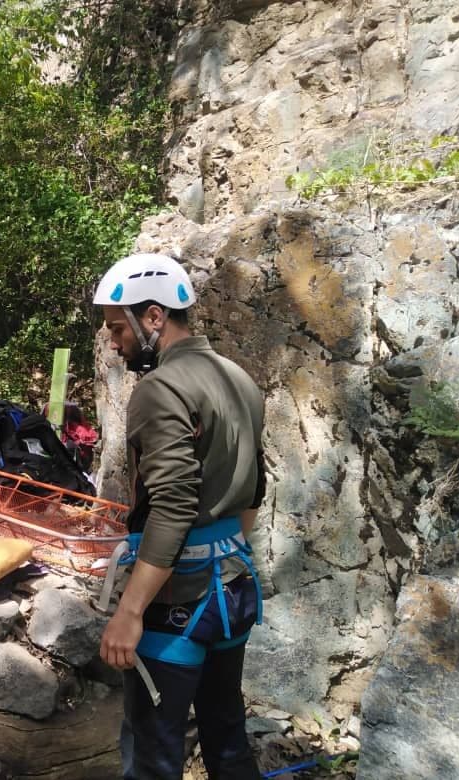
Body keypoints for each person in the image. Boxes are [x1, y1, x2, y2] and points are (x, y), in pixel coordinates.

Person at [93, 253, 266, 779]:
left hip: (178, 604)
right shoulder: (238, 378)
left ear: (153, 317)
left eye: (117, 327)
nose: (113, 341)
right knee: (228, 739)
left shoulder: (160, 389)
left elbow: (172, 505)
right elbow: (255, 488)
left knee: (153, 757)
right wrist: (222, 552)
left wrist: (130, 610)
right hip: (232, 590)